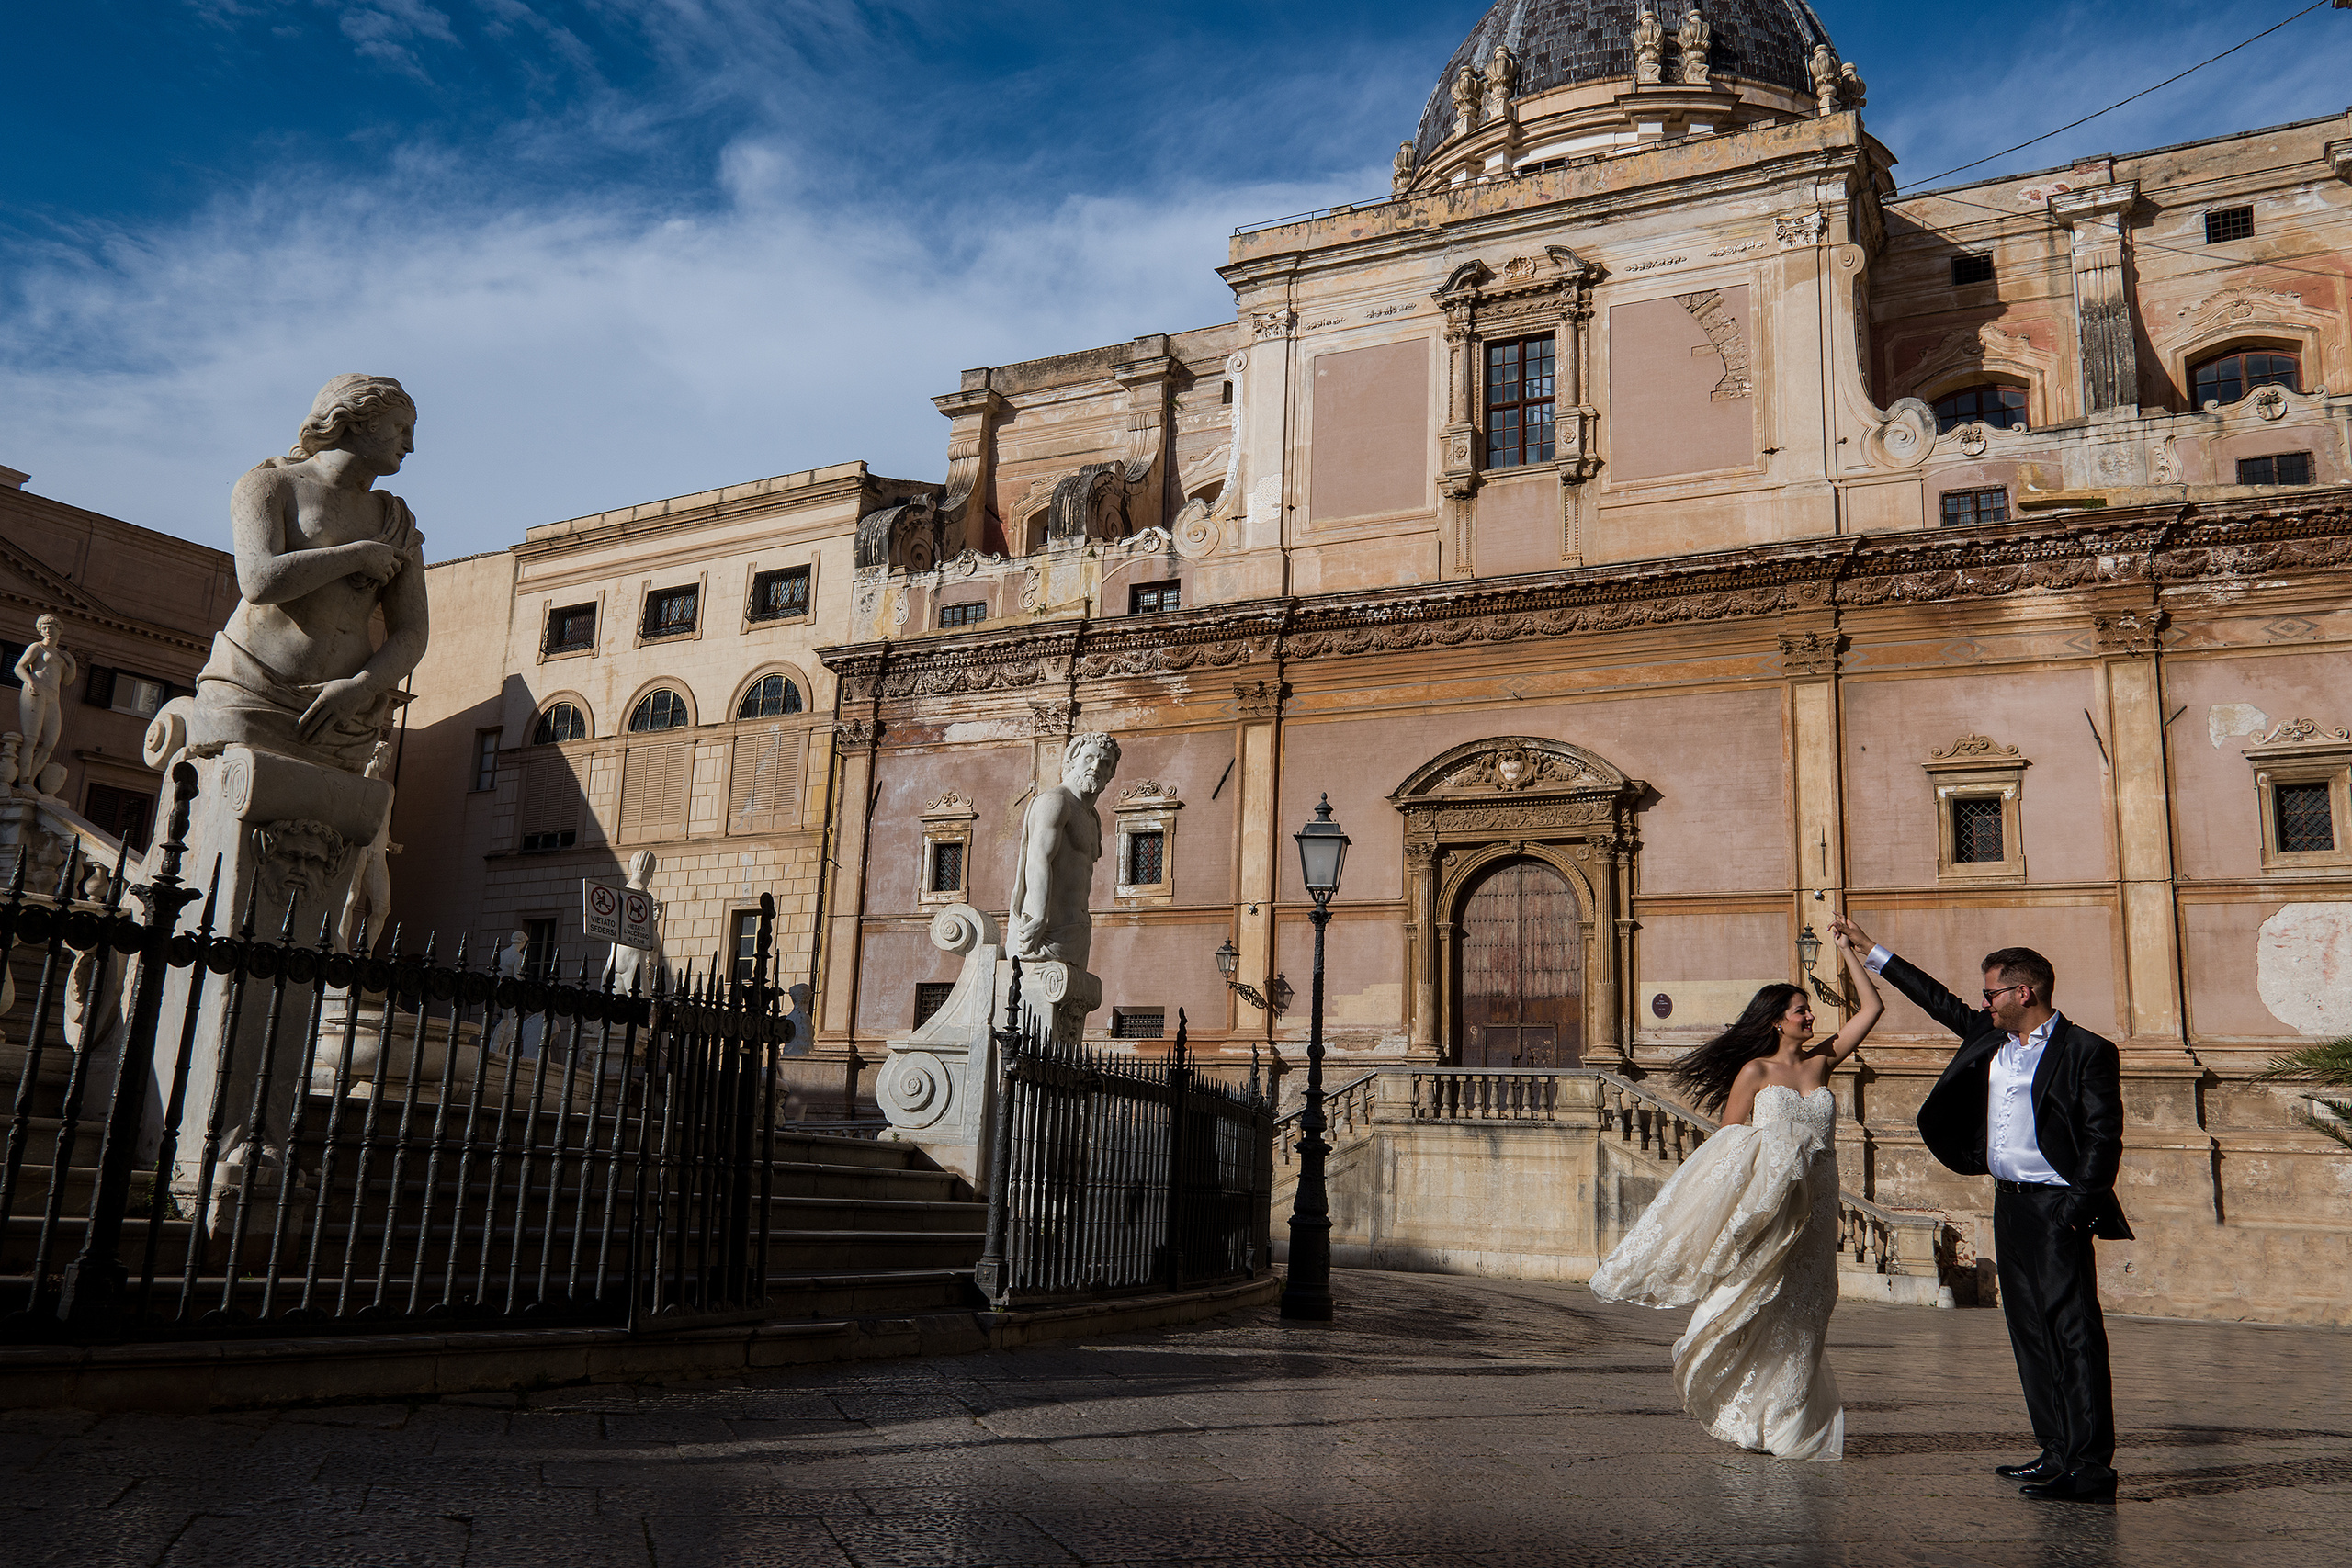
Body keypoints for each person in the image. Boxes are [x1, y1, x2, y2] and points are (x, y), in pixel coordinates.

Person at [1827, 914, 2128, 1504]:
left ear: (2025, 992)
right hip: (2009, 1204)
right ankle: (2055, 1451)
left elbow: (2102, 1139)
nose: (1983, 1002)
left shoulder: (2087, 1050)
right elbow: (1937, 1001)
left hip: (2056, 1208)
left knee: (2074, 1334)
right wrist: (1871, 952)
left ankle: (2091, 1466)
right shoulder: (1990, 1036)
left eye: (1992, 992)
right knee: (2029, 1335)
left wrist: (2075, 1211)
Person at [1590, 931, 1883, 1461]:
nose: (1810, 1017)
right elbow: (1728, 1145)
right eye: (1801, 1011)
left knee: (1811, 1307)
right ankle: (1759, 1414)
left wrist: (1847, 953)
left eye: (1809, 1010)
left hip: (1817, 1207)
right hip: (1774, 1207)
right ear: (1777, 1020)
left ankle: (1787, 1415)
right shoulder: (1755, 1072)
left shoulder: (1820, 1065)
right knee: (1758, 1301)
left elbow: (1873, 1007)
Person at [190, 374, 429, 773]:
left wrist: (360, 688)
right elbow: (259, 582)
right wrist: (357, 556)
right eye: (400, 429)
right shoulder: (270, 485)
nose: (410, 445)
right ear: (354, 420)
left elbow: (412, 631)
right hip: (251, 692)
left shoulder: (396, 521)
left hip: (342, 714)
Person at [1008, 732, 1119, 971]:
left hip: (1077, 933)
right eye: (1089, 758)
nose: (1096, 767)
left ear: (1112, 773)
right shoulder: (1055, 803)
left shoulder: (1093, 819)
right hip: (1043, 933)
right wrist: (1039, 917)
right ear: (1071, 762)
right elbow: (1039, 859)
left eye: (1105, 762)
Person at [14, 613, 78, 794]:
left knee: (50, 742)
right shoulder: (37, 647)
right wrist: (30, 682)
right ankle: (24, 781)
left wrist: (72, 664)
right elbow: (19, 667)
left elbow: (67, 681)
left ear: (59, 630)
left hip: (53, 697)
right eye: (43, 628)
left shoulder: (60, 655)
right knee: (31, 739)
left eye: (50, 627)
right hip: (36, 692)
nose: (46, 631)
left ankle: (30, 780)